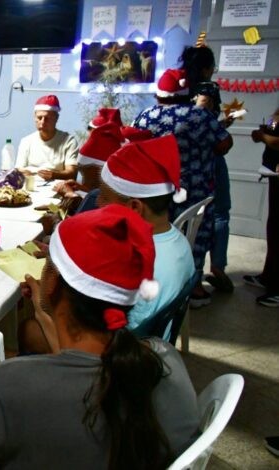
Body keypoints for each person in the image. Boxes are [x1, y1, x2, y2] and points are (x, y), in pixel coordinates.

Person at [0, 204, 199, 470]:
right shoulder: (163, 360)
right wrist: (46, 315)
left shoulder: (11, 385)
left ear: (53, 282)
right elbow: (78, 366)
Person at [133, 68, 233, 308]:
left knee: (157, 236)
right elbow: (225, 144)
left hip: (157, 194)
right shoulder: (200, 116)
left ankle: (156, 281)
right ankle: (193, 286)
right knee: (194, 235)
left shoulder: (145, 116)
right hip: (195, 193)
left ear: (158, 95)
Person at [96, 134, 196, 336]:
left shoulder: (142, 268)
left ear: (135, 207)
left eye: (105, 197)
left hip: (124, 350)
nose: (98, 203)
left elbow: (120, 336)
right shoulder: (176, 240)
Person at [182, 44, 237, 294]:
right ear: (207, 68)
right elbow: (203, 123)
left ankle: (191, 274)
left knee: (190, 216)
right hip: (208, 160)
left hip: (184, 162)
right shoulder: (206, 89)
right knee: (218, 212)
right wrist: (221, 126)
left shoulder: (180, 88)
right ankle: (216, 266)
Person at [245, 108, 279, 307]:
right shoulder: (277, 113)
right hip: (273, 175)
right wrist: (265, 131)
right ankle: (268, 276)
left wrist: (262, 136)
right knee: (274, 228)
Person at [53, 122, 125, 214]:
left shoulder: (105, 198)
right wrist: (83, 188)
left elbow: (86, 215)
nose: (83, 179)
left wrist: (70, 195)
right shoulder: (105, 191)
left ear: (101, 170)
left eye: (85, 172)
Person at [15, 95, 79, 181]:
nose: (42, 122)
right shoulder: (26, 141)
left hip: (57, 186)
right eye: (39, 118)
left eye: (47, 118)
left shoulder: (69, 141)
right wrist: (23, 172)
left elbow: (72, 173)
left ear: (56, 118)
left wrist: (54, 175)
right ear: (34, 117)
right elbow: (19, 169)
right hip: (31, 185)